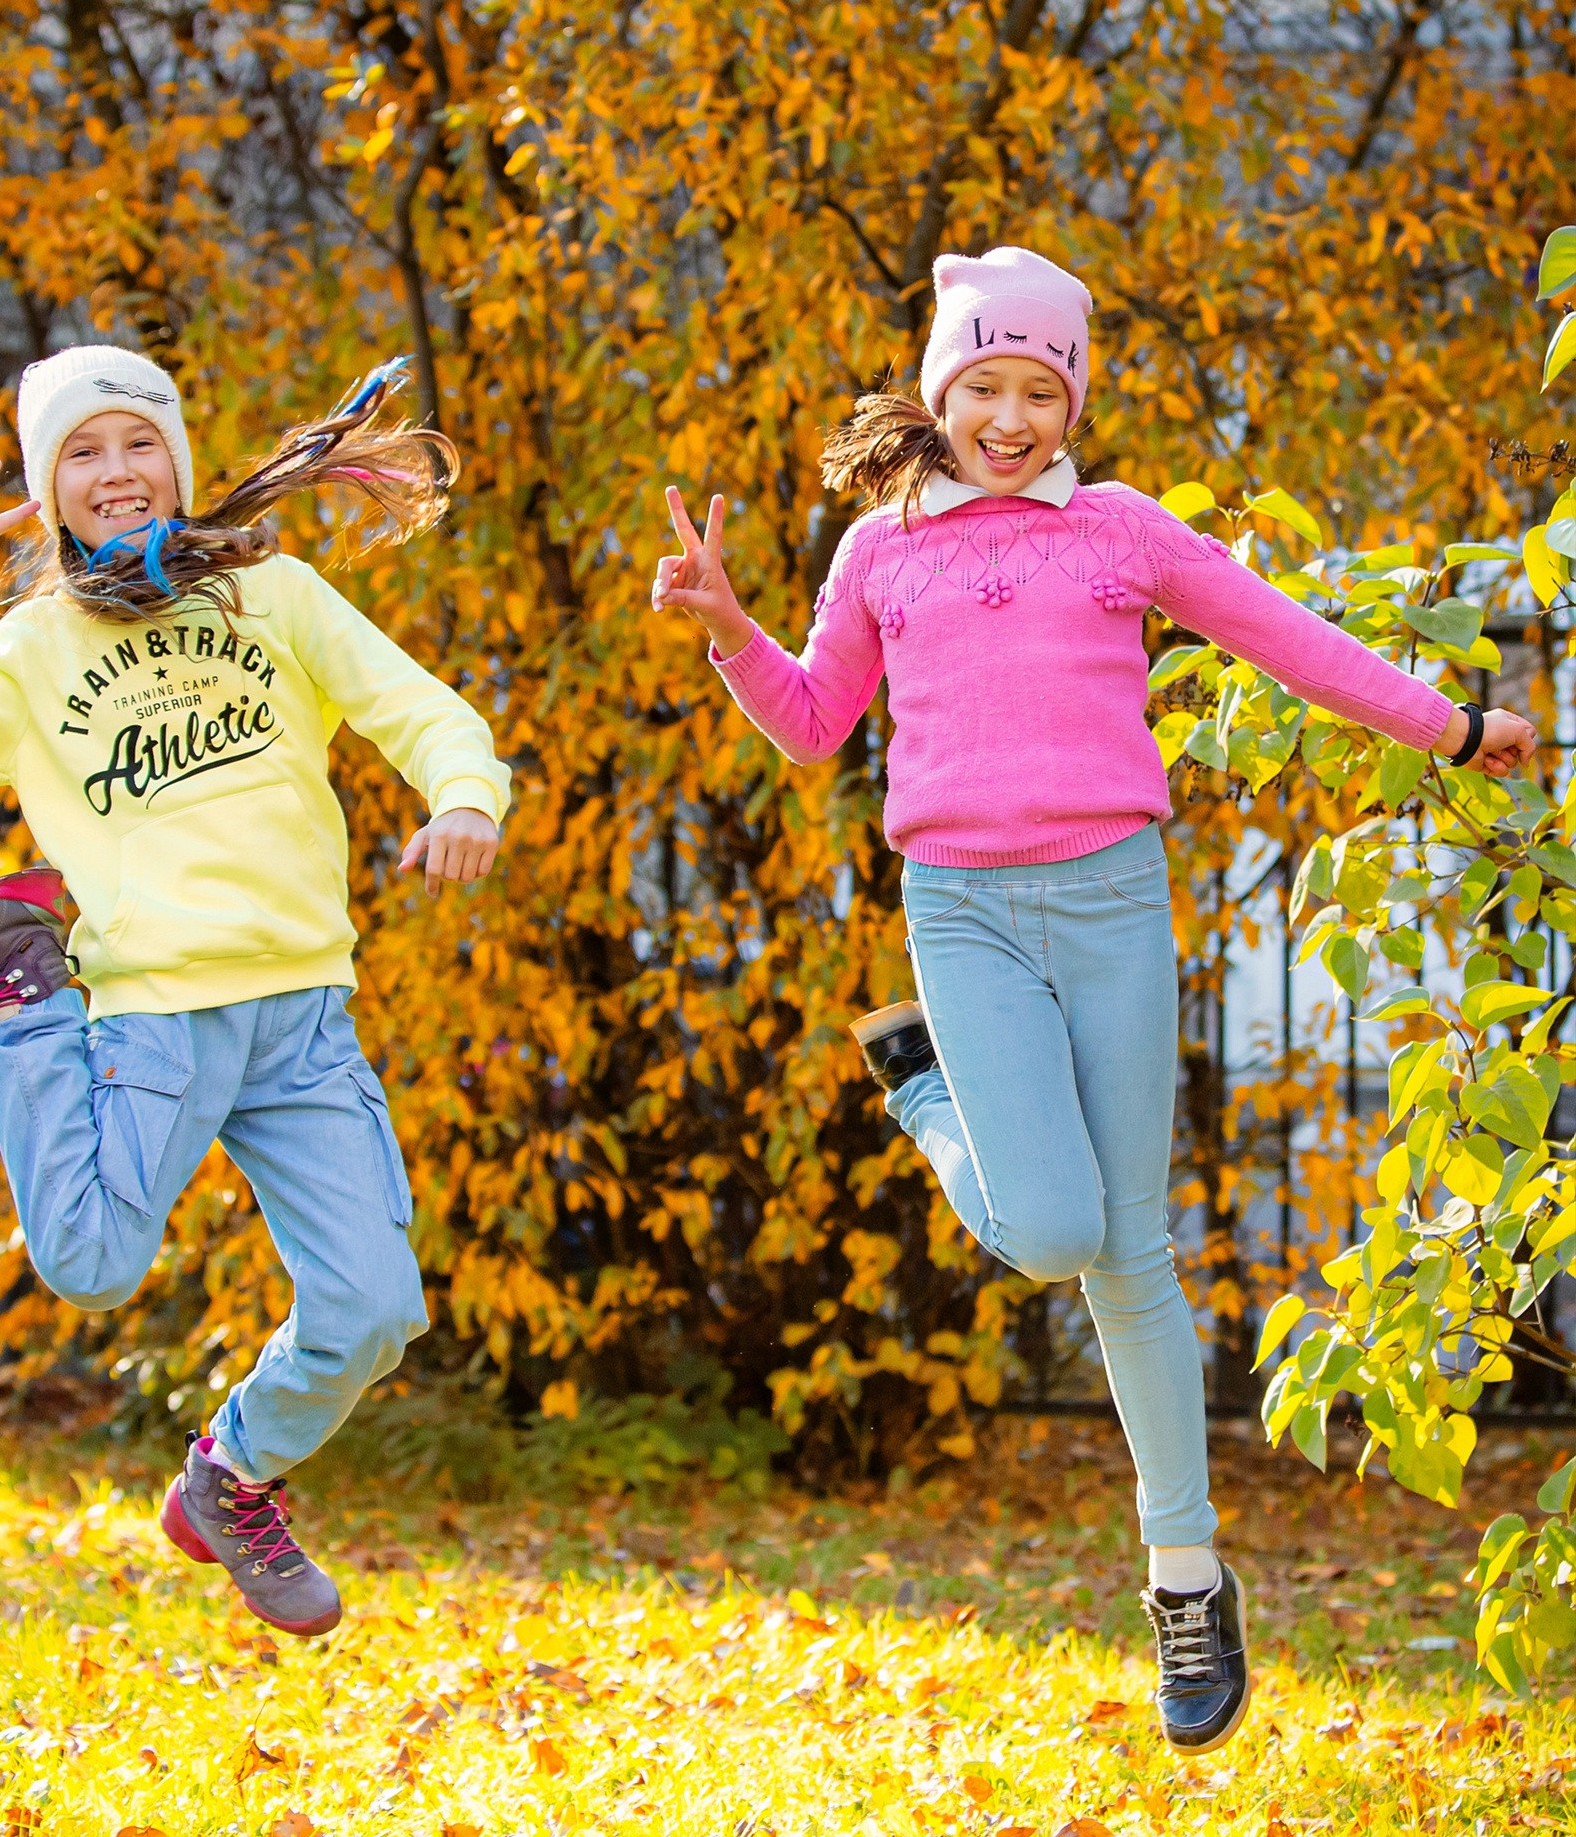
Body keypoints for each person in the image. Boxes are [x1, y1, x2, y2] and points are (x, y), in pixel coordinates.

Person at [650, 247, 1536, 1754]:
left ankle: (1182, 1579)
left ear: (1071, 401)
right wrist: (730, 630)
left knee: (1129, 1256)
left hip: (1114, 900)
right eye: (982, 386)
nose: (1008, 416)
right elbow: (810, 728)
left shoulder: (1119, 531)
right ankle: (929, 1095)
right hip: (964, 913)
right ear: (938, 394)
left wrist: (1450, 725)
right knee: (1051, 1229)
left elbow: (1289, 643)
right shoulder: (879, 552)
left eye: (1037, 390)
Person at [0, 345, 509, 1639]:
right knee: (91, 1266)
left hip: (304, 1016)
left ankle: (230, 1477)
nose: (115, 472)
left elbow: (424, 715)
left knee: (375, 1310)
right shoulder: (38, 644)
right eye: (80, 454)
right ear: (48, 488)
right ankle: (17, 984)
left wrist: (463, 796)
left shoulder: (273, 594)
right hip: (154, 1010)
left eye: (135, 443)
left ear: (178, 461)